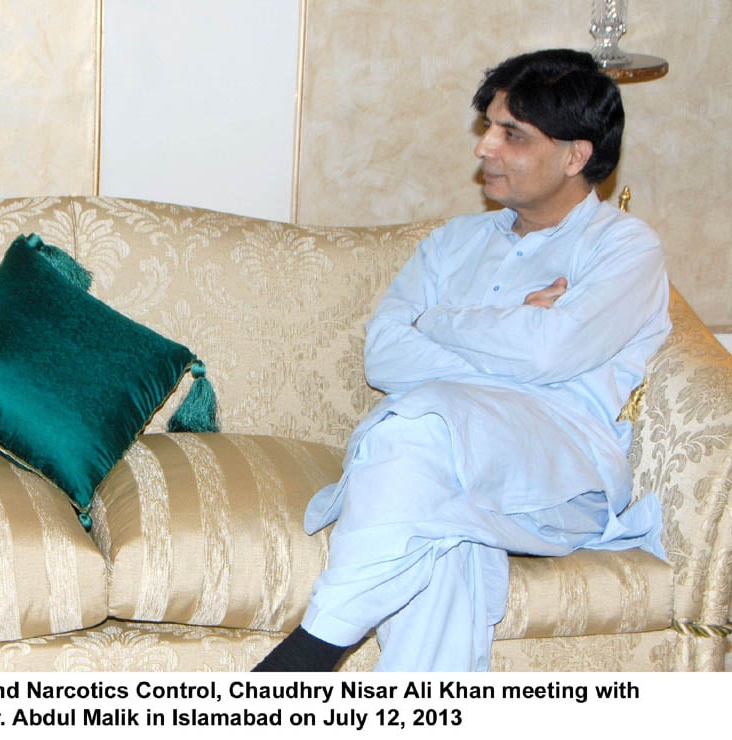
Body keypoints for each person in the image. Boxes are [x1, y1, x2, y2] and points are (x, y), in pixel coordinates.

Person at [254, 49, 671, 672]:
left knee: (420, 421)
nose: (485, 149)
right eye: (489, 129)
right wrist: (519, 333)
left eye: (512, 135)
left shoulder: (623, 248)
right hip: (451, 468)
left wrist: (443, 321)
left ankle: (312, 651)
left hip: (559, 468)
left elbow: (550, 351)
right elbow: (385, 357)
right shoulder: (452, 244)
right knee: (443, 537)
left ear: (575, 156)